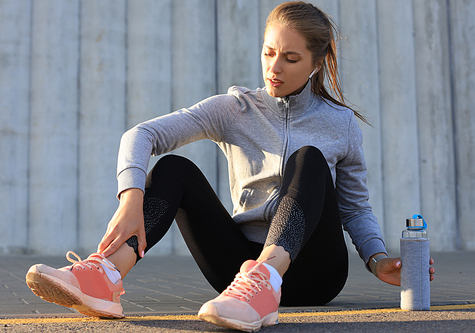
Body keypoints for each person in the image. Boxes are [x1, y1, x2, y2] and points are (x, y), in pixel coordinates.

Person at [26, 2, 435, 332]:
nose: (274, 68)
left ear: (316, 63)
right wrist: (130, 198)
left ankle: (268, 279)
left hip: (315, 272)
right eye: (268, 53)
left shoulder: (340, 124)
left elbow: (355, 208)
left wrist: (378, 259)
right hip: (237, 271)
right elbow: (140, 134)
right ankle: (106, 277)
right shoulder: (235, 108)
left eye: (290, 58)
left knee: (308, 159)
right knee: (174, 168)